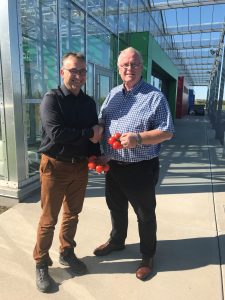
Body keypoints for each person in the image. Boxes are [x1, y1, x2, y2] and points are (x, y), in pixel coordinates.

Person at [93, 47, 175, 280]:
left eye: (134, 64)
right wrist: (99, 131)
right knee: (115, 207)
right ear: (118, 69)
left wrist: (138, 138)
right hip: (113, 165)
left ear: (142, 67)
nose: (129, 68)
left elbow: (167, 131)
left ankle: (147, 255)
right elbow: (103, 119)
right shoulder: (113, 94)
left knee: (145, 214)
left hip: (141, 167)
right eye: (124, 65)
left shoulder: (154, 96)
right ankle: (117, 241)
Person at [33, 52, 101, 293]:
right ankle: (41, 262)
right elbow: (57, 133)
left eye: (82, 71)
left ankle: (67, 252)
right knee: (49, 218)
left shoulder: (89, 102)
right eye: (73, 70)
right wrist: (88, 133)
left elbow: (95, 136)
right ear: (62, 72)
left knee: (72, 213)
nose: (79, 75)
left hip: (80, 166)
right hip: (55, 165)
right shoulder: (51, 99)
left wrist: (97, 154)